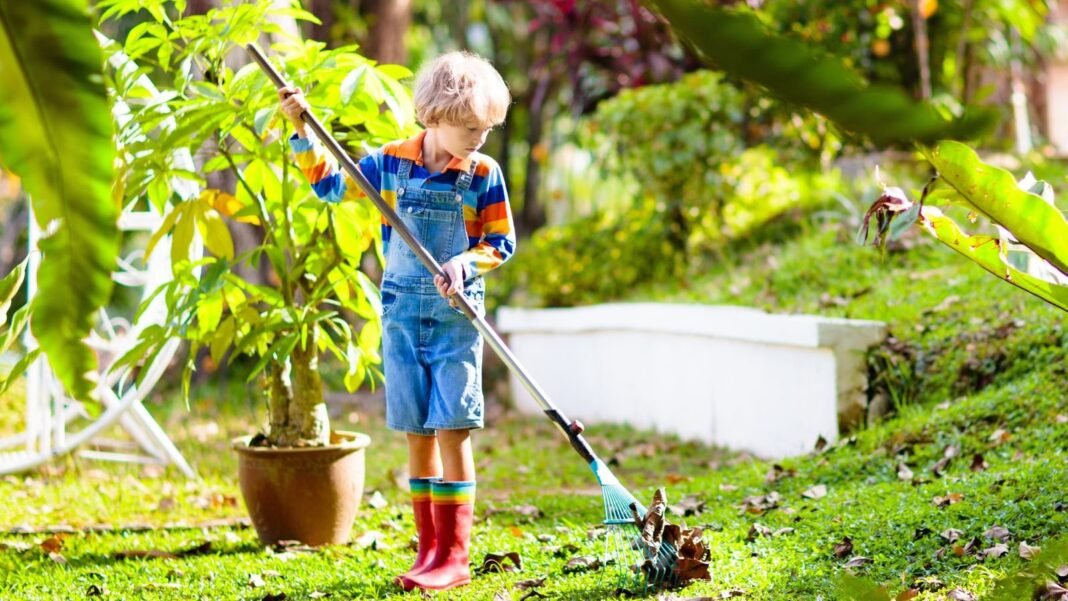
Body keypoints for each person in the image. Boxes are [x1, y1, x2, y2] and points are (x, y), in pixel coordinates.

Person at [278, 50, 514, 592]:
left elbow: (501, 242)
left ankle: (455, 555)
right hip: (403, 317)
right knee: (416, 434)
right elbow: (330, 186)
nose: (480, 137)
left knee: (453, 430)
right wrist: (300, 129)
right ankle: (429, 550)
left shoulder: (482, 174)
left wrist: (464, 262)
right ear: (433, 116)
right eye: (470, 126)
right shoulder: (388, 163)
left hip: (455, 320)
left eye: (487, 128)